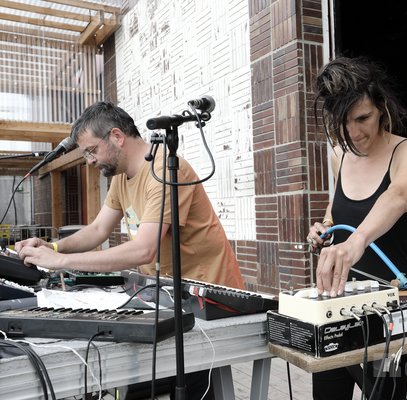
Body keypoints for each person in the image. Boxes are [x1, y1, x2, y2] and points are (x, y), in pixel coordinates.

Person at [16, 101, 244, 399]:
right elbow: (98, 230)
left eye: (90, 151)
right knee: (132, 379)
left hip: (208, 300)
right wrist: (53, 246)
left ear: (116, 137)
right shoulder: (121, 177)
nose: (88, 161)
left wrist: (60, 260)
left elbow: (144, 250)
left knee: (180, 387)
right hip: (166, 296)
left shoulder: (166, 168)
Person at [306, 56, 407, 399]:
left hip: (387, 311)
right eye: (343, 122)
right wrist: (326, 228)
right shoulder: (339, 154)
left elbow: (399, 195)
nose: (354, 132)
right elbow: (338, 207)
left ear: (381, 107)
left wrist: (357, 239)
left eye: (363, 118)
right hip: (335, 305)